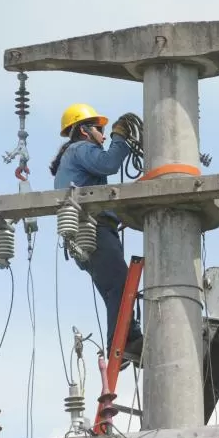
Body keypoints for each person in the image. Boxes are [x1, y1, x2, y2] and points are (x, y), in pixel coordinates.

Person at [49, 103, 144, 369]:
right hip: (94, 232)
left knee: (116, 289)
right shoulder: (80, 149)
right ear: (83, 130)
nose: (103, 135)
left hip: (90, 232)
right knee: (121, 286)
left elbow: (100, 193)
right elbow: (110, 163)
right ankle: (122, 343)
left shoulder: (71, 160)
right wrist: (120, 137)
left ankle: (130, 338)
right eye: (100, 130)